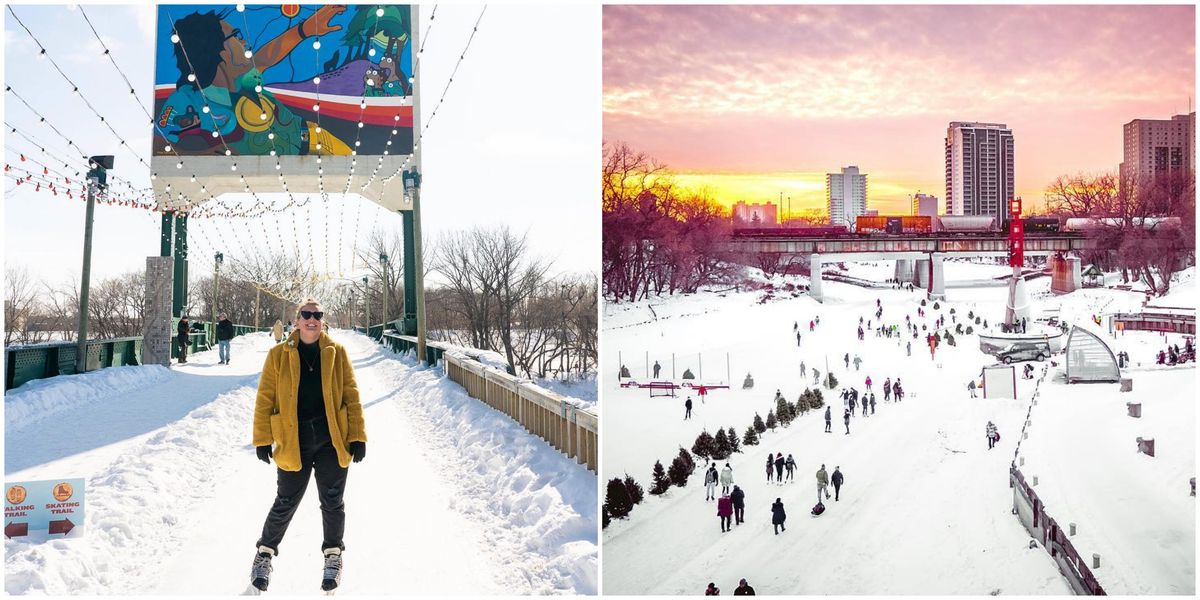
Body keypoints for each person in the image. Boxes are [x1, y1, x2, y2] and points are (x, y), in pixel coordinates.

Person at [250, 299, 366, 593]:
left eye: (317, 315)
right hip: (293, 439)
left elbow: (351, 395)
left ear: (322, 320)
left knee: (332, 500)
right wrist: (263, 438)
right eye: (306, 315)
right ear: (297, 320)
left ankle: (333, 556)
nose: (312, 319)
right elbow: (265, 397)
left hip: (331, 439)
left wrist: (358, 436)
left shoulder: (336, 353)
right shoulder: (278, 355)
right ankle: (264, 553)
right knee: (286, 501)